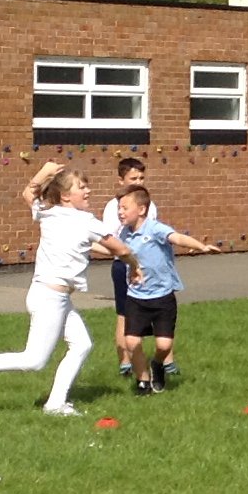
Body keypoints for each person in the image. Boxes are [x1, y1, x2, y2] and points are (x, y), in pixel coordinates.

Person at [0, 164, 132, 415]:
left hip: (54, 297)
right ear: (65, 196)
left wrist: (44, 173)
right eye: (81, 187)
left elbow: (28, 195)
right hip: (49, 298)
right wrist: (137, 266)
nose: (88, 191)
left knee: (82, 344)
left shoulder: (50, 213)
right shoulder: (83, 220)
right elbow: (121, 250)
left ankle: (55, 403)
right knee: (34, 360)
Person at [114, 185, 220, 392]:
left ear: (142, 209)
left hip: (162, 297)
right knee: (132, 342)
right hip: (136, 297)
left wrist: (201, 246)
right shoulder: (124, 234)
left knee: (164, 346)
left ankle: (157, 365)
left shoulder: (154, 228)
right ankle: (143, 381)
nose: (120, 212)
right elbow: (113, 249)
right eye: (119, 208)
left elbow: (177, 238)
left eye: (125, 208)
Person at [111, 155, 146, 377]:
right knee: (125, 314)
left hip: (145, 266)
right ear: (121, 179)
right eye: (133, 177)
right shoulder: (113, 207)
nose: (139, 181)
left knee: (149, 312)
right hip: (123, 265)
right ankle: (125, 361)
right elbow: (110, 239)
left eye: (142, 177)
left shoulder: (147, 204)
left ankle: (166, 359)